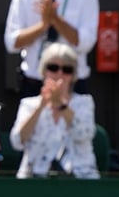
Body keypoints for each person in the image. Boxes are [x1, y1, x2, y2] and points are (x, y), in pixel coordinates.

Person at [9, 43, 99, 179]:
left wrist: (61, 106)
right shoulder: (28, 104)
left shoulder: (84, 102)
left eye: (67, 70)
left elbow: (84, 135)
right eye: (53, 68)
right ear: (44, 70)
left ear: (73, 75)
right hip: (34, 179)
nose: (59, 74)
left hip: (79, 178)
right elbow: (17, 142)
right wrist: (41, 106)